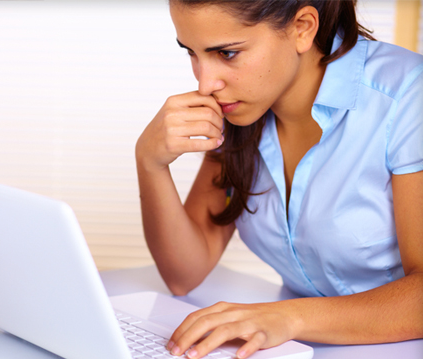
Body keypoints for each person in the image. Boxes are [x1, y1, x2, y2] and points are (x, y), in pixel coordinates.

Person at [135, 0, 423, 358]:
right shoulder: (242, 111)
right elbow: (183, 273)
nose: (205, 83)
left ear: (302, 27)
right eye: (191, 53)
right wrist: (150, 163)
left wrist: (287, 317)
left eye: (226, 53)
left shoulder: (408, 97)